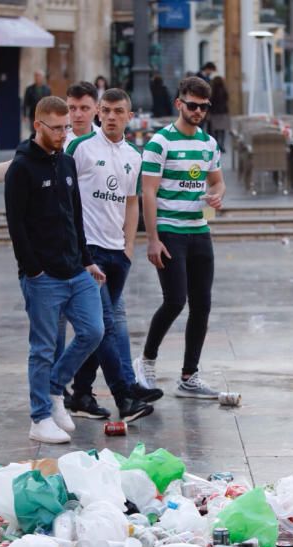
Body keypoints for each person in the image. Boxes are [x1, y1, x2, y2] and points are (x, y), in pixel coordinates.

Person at [4, 95, 106, 444]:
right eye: (56, 128)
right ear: (37, 126)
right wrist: (33, 270)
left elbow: (75, 214)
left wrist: (87, 258)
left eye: (66, 127)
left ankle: (54, 388)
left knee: (94, 330)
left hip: (76, 269)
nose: (63, 133)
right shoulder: (21, 168)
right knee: (43, 347)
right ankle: (39, 417)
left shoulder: (65, 162)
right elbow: (16, 226)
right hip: (43, 275)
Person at [66, 88, 160, 423]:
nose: (109, 117)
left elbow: (132, 201)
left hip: (117, 252)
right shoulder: (80, 148)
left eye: (117, 111)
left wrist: (129, 247)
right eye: (104, 110)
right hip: (88, 251)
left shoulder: (135, 155)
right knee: (104, 323)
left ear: (128, 116)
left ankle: (79, 392)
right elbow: (65, 197)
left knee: (97, 328)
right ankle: (124, 395)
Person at [134, 76, 225, 398]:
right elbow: (148, 191)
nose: (198, 111)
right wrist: (152, 238)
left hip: (199, 230)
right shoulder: (160, 142)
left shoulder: (208, 143)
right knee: (175, 300)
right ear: (179, 104)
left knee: (202, 305)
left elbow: (217, 182)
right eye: (192, 105)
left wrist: (216, 195)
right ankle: (145, 361)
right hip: (170, 231)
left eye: (203, 107)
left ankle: (189, 376)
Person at [209, 76, 230, 150]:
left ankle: (217, 145)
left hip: (215, 113)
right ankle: (222, 145)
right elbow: (227, 99)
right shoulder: (224, 90)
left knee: (216, 131)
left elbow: (210, 101)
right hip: (223, 112)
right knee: (222, 130)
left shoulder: (212, 91)